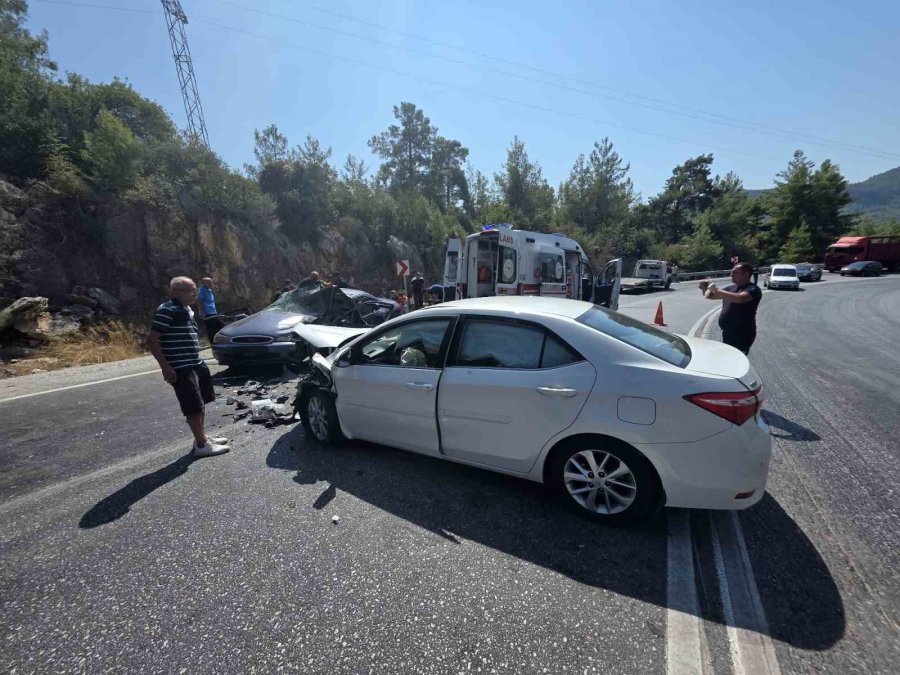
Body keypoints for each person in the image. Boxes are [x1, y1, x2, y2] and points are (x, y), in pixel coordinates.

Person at [148, 277, 230, 457]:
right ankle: (201, 445)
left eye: (194, 290)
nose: (195, 293)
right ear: (176, 291)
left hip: (195, 362)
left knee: (201, 401)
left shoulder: (187, 310)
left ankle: (202, 437)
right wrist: (166, 367)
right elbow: (152, 341)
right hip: (181, 366)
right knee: (192, 405)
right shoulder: (167, 310)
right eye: (191, 290)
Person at [699, 262, 762, 355]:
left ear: (746, 274)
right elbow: (710, 296)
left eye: (735, 273)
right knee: (727, 358)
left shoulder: (753, 289)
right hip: (728, 332)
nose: (731, 274)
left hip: (742, 334)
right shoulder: (731, 288)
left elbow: (739, 298)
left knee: (736, 359)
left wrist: (715, 289)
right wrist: (705, 288)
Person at [197, 276, 223, 343]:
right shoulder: (202, 290)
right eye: (209, 283)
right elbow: (199, 301)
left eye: (211, 282)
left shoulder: (209, 290)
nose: (211, 284)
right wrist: (202, 313)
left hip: (213, 312)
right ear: (204, 283)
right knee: (211, 330)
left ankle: (219, 341)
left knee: (220, 327)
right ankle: (213, 344)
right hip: (207, 313)